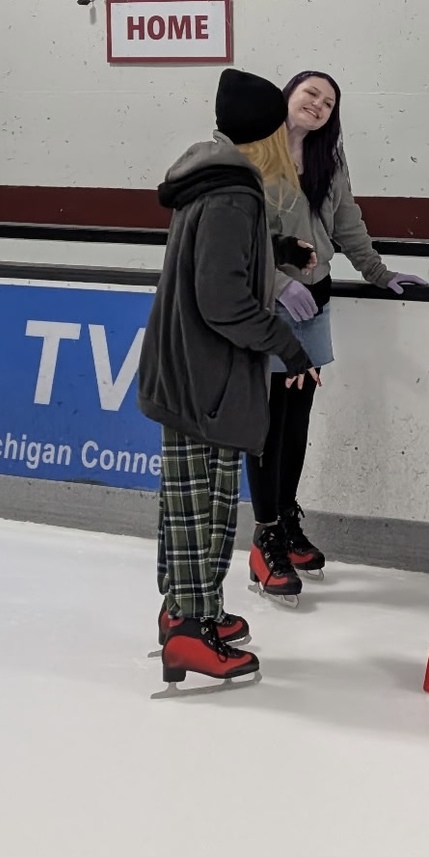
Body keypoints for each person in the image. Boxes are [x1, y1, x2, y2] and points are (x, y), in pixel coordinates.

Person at [137, 68, 317, 688]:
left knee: (194, 498)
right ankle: (190, 632)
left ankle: (191, 608)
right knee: (201, 504)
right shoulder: (233, 192)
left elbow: (224, 260)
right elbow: (222, 299)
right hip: (203, 373)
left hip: (190, 367)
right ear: (266, 134)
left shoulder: (213, 181)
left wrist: (278, 253)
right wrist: (287, 348)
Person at [243, 70, 427, 595]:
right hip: (268, 307)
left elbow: (347, 223)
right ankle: (265, 538)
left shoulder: (329, 160)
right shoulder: (253, 153)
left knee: (296, 420)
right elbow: (239, 234)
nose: (318, 106)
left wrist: (380, 272)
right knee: (268, 423)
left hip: (314, 303)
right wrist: (277, 282)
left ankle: (285, 516)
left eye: (328, 102)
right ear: (289, 96)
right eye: (310, 95)